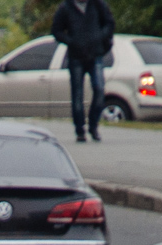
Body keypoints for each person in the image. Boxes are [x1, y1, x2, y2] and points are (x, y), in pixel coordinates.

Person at [51, 0, 115, 143]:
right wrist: (72, 41)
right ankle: (80, 130)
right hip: (76, 57)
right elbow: (56, 31)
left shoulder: (98, 5)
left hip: (95, 55)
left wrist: (100, 36)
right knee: (77, 95)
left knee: (99, 90)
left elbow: (110, 23)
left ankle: (93, 126)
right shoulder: (65, 8)